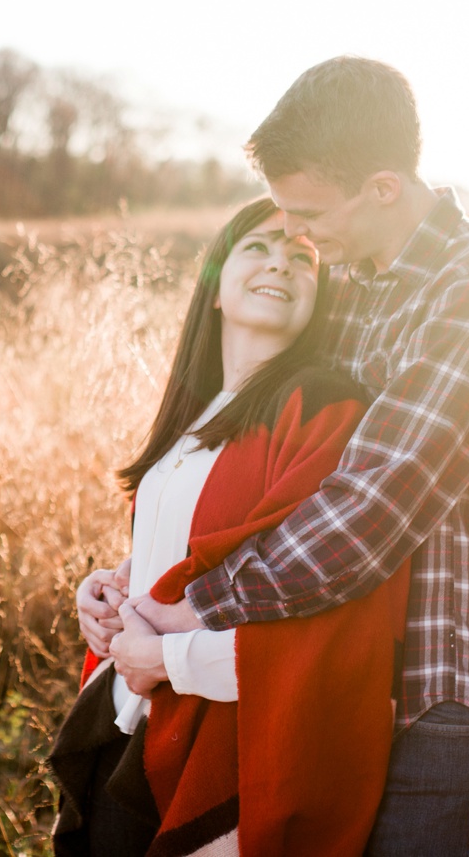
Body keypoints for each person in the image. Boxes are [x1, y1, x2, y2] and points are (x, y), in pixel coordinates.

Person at [97, 57, 469, 855]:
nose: (299, 236)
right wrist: (129, 585)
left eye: (309, 213)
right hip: (335, 709)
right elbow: (262, 482)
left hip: (443, 716)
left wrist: (186, 614)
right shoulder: (355, 290)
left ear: (384, 187)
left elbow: (375, 504)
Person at [52, 198, 410, 857]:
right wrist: (106, 594)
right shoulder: (194, 419)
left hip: (222, 752)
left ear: (317, 297)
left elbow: (325, 614)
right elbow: (182, 562)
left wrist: (168, 658)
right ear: (215, 285)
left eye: (303, 257)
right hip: (124, 732)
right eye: (258, 247)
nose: (281, 262)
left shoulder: (322, 415)